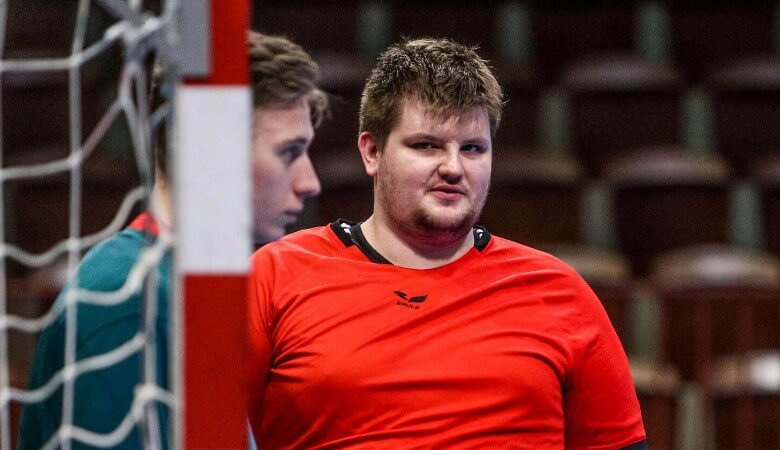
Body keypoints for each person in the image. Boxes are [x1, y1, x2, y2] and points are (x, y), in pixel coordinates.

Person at [248, 37, 648, 449]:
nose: (453, 167)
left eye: (473, 148)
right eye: (427, 145)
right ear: (372, 152)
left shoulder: (559, 291)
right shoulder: (275, 275)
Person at [18, 31, 326, 449]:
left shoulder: (174, 287)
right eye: (289, 152)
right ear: (213, 150)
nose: (310, 183)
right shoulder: (127, 302)